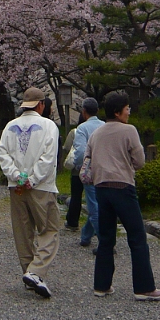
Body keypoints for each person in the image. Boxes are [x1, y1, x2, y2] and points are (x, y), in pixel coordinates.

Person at [87, 92, 160, 301]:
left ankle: (101, 285)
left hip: (101, 188)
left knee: (106, 238)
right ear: (118, 111)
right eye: (127, 108)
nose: (129, 111)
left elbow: (89, 157)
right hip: (123, 187)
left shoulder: (97, 133)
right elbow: (139, 162)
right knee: (137, 237)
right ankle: (144, 288)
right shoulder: (129, 130)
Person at [0, 87, 61, 299]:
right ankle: (36, 271)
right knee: (49, 229)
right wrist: (32, 179)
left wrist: (17, 176)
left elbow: (2, 153)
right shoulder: (48, 125)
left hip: (16, 187)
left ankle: (28, 272)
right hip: (41, 186)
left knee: (23, 231)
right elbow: (48, 157)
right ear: (41, 104)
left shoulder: (10, 126)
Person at [71, 98, 104, 251]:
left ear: (84, 112)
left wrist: (79, 167)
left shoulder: (82, 129)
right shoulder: (105, 126)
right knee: (99, 203)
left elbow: (79, 153)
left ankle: (106, 242)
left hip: (90, 171)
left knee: (94, 206)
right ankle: (85, 236)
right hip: (106, 170)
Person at [63, 107, 88, 230]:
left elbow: (67, 148)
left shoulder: (75, 132)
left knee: (76, 196)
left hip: (77, 170)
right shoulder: (99, 129)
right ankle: (94, 225)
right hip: (93, 169)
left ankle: (73, 221)